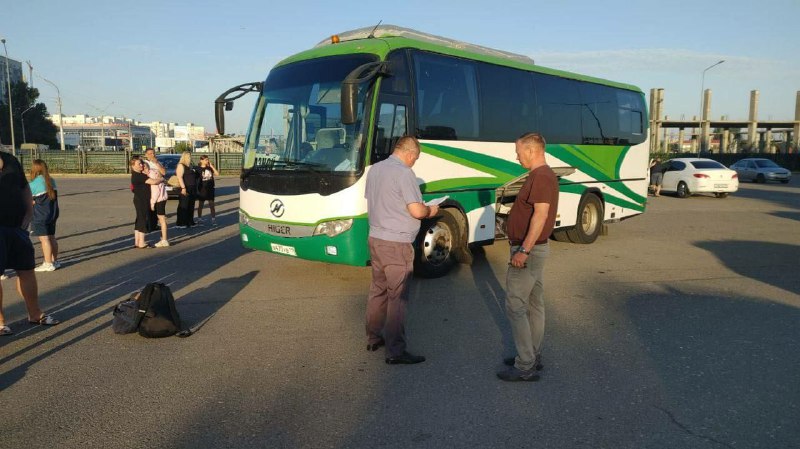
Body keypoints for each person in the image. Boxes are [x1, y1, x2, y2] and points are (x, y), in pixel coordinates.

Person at [364, 136, 438, 365]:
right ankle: (395, 351)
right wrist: (430, 210)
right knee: (397, 297)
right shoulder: (405, 173)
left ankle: (373, 337)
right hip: (396, 244)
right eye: (415, 158)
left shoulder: (375, 170)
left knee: (378, 290)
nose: (414, 163)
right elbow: (416, 211)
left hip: (376, 238)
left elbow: (377, 201)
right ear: (409, 153)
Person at [498, 132, 559, 382]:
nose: (516, 155)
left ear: (531, 151)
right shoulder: (540, 175)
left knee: (516, 305)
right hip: (535, 249)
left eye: (518, 151)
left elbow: (540, 216)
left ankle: (525, 365)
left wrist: (524, 250)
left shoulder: (541, 176)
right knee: (534, 303)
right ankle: (532, 355)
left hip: (529, 251)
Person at [1, 151, 60, 336]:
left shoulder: (10, 159)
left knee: (26, 270)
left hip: (17, 226)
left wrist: (28, 214)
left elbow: (24, 187)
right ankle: (0, 322)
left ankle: (35, 313)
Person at [29, 159, 61, 271]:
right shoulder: (51, 181)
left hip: (40, 215)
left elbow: (29, 200)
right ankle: (54, 261)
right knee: (52, 237)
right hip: (52, 213)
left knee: (44, 239)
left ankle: (47, 263)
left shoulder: (33, 184)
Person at [130, 156, 160, 248]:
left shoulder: (137, 174)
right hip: (141, 200)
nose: (141, 165)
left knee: (139, 219)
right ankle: (141, 242)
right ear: (133, 165)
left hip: (140, 199)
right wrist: (162, 179)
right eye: (139, 164)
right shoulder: (139, 175)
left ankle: (137, 241)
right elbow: (154, 182)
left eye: (142, 163)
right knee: (142, 220)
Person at [144, 149, 169, 247]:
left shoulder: (158, 163)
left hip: (160, 195)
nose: (152, 155)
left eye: (153, 153)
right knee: (147, 216)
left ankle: (164, 239)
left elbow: (163, 172)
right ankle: (143, 238)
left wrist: (157, 164)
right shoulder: (144, 163)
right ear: (146, 155)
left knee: (161, 217)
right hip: (149, 194)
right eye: (150, 153)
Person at [175, 151, 198, 228]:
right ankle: (181, 223)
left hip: (192, 187)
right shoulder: (181, 166)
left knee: (191, 205)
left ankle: (190, 221)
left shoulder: (190, 166)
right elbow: (179, 177)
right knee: (184, 205)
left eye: (190, 156)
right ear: (185, 157)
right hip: (185, 187)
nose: (190, 158)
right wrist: (183, 188)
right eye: (189, 156)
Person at [196, 155, 219, 225]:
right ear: (201, 160)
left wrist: (212, 166)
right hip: (202, 189)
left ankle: (213, 219)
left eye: (207, 159)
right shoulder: (198, 169)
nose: (207, 161)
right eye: (206, 160)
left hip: (210, 189)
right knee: (201, 205)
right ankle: (199, 219)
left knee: (212, 205)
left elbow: (217, 174)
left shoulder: (209, 168)